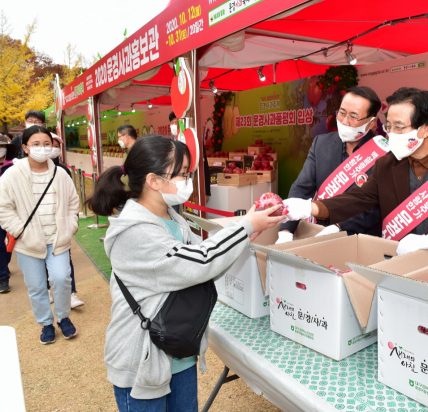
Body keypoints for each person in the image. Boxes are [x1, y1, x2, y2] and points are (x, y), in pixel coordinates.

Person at [87, 134, 284, 411]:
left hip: (178, 351)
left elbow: (202, 261)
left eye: (187, 173)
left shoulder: (171, 217)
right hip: (143, 357)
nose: (187, 181)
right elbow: (200, 262)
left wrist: (244, 233)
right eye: (181, 174)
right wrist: (246, 227)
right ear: (154, 181)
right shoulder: (134, 231)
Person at [283, 87, 428, 262]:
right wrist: (313, 207)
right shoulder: (386, 164)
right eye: (388, 126)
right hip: (399, 260)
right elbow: (361, 197)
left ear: (424, 130)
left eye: (399, 127)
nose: (390, 134)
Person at [0, 126, 80, 344]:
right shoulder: (11, 176)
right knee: (36, 286)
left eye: (47, 144)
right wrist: (19, 230)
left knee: (61, 279)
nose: (42, 149)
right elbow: (3, 208)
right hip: (28, 242)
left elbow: (73, 202)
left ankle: (63, 317)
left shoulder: (60, 173)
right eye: (36, 144)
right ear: (25, 148)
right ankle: (46, 323)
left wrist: (70, 225)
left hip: (57, 239)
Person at [277, 86, 384, 244]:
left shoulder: (383, 153)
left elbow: (377, 208)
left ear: (371, 123)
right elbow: (301, 189)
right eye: (342, 113)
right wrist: (286, 231)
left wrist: (340, 227)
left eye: (353, 117)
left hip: (362, 241)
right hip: (321, 235)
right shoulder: (321, 144)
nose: (344, 121)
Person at [42, 134, 84, 308]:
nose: (53, 148)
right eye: (48, 145)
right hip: (40, 226)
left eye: (56, 145)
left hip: (61, 226)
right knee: (42, 259)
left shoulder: (63, 171)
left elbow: (72, 198)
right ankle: (49, 289)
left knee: (66, 261)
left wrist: (72, 221)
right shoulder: (28, 171)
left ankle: (71, 294)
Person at [168, 112, 210, 211]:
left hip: (192, 187)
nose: (173, 125)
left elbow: (204, 166)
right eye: (171, 122)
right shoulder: (170, 143)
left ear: (181, 123)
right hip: (174, 189)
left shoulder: (193, 141)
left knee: (191, 215)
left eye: (176, 122)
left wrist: (206, 192)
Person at [0, 135, 17, 293]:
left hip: (12, 212)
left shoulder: (12, 168)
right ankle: (3, 277)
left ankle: (4, 263)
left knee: (12, 242)